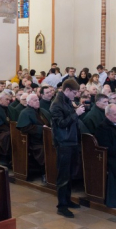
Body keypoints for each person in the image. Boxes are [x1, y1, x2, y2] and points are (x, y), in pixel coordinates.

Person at [50, 79, 85, 218]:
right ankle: (61, 206)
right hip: (63, 143)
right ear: (67, 90)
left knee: (70, 174)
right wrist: (76, 114)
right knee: (63, 176)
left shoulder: (67, 101)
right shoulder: (56, 104)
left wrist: (75, 111)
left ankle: (68, 200)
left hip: (72, 141)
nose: (76, 95)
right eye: (74, 93)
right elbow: (61, 124)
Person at [94, 104, 116, 208]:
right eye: (115, 114)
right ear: (107, 115)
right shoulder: (102, 128)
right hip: (113, 157)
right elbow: (107, 147)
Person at [16, 93, 50, 168]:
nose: (38, 101)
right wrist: (41, 128)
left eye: (38, 99)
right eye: (35, 100)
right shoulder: (25, 112)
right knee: (43, 150)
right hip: (34, 141)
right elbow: (24, 127)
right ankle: (44, 172)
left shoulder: (42, 111)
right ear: (28, 102)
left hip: (47, 137)